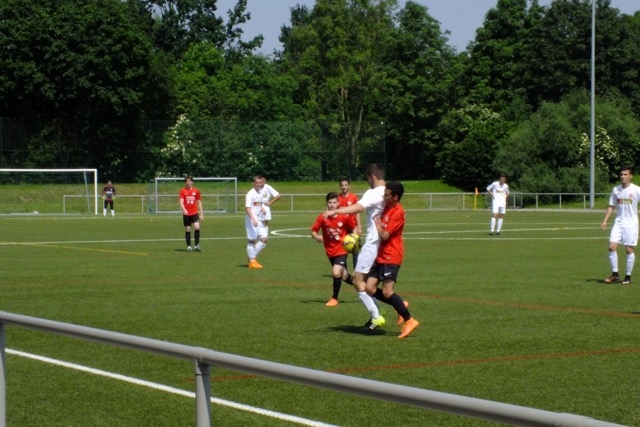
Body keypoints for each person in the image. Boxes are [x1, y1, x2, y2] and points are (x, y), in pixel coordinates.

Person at [324, 163, 386, 331]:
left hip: (372, 243)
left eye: (367, 179)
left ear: (372, 177)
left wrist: (336, 211)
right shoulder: (388, 191)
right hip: (383, 243)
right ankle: (385, 310)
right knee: (369, 282)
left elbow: (359, 207)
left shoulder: (373, 192)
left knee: (357, 281)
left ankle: (378, 316)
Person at [365, 181, 419, 339]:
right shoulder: (387, 207)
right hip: (381, 254)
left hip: (392, 255)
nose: (384, 197)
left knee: (387, 292)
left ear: (395, 197)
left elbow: (384, 235)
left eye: (387, 195)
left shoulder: (398, 212)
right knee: (369, 288)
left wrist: (378, 226)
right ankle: (400, 304)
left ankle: (410, 320)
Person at [311, 192, 356, 307]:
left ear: (338, 203)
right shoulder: (322, 217)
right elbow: (313, 231)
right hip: (330, 251)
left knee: (336, 272)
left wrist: (353, 240)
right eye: (330, 202)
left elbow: (353, 228)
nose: (332, 205)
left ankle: (334, 298)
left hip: (342, 250)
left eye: (334, 202)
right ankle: (363, 286)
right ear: (326, 203)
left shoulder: (344, 216)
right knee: (344, 276)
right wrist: (316, 237)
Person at [601, 165, 640, 285]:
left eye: (625, 174)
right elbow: (611, 206)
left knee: (629, 250)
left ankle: (628, 276)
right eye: (621, 174)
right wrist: (605, 220)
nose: (623, 177)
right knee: (611, 247)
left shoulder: (636, 190)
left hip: (631, 224)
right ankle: (615, 274)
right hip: (618, 223)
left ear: (631, 176)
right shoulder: (616, 190)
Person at [246, 175, 269, 268]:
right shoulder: (250, 194)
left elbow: (257, 204)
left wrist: (262, 209)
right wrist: (253, 219)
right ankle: (252, 262)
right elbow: (247, 208)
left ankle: (252, 257)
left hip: (259, 219)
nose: (259, 184)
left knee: (264, 239)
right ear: (253, 183)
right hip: (252, 220)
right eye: (257, 183)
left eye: (260, 183)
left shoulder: (260, 193)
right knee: (252, 241)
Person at [338, 178, 362, 269]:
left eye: (345, 185)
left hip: (352, 226)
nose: (344, 187)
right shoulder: (337, 198)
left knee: (355, 248)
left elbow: (357, 213)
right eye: (342, 185)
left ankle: (356, 270)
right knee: (343, 249)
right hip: (342, 227)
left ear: (349, 186)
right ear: (340, 186)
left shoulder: (353, 197)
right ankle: (344, 270)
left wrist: (359, 226)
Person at [179, 175, 203, 252]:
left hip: (194, 213)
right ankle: (189, 246)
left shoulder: (196, 191)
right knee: (188, 229)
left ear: (192, 182)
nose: (188, 182)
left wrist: (201, 214)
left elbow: (199, 202)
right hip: (187, 214)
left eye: (190, 181)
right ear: (185, 182)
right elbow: (181, 201)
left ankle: (196, 245)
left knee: (197, 227)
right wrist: (184, 209)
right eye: (187, 181)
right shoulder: (183, 191)